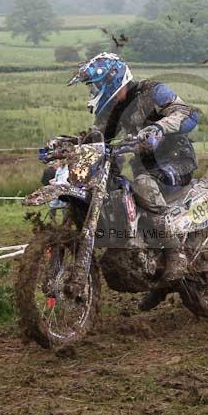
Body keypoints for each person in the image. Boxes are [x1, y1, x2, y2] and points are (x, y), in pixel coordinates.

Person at [63, 53, 199, 310]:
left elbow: (188, 115)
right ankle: (153, 272)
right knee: (119, 193)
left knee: (143, 186)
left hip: (176, 160)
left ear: (112, 80)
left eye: (95, 86)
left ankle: (175, 254)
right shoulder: (111, 114)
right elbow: (96, 139)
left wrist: (159, 128)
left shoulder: (153, 92)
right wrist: (70, 147)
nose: (93, 91)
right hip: (144, 169)